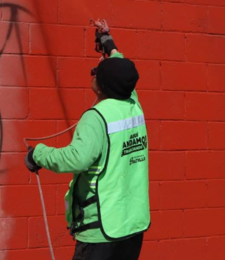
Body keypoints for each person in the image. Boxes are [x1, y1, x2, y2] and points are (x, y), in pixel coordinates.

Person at [25, 29, 150, 260]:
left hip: (101, 230)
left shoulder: (96, 117)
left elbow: (76, 158)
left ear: (103, 87)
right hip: (132, 227)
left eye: (97, 75)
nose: (93, 76)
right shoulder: (133, 102)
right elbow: (125, 72)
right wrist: (108, 43)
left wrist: (38, 154)